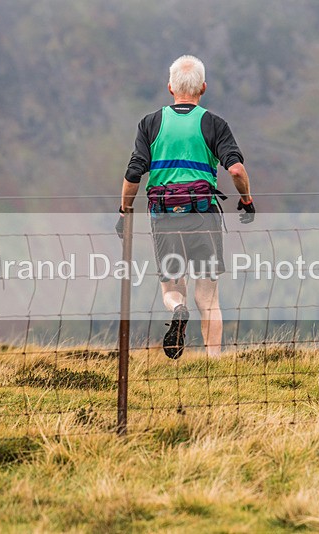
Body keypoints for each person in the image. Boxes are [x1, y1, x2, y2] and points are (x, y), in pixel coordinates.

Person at [117, 54, 255, 359]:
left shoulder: (150, 123)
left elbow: (134, 172)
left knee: (172, 288)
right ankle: (213, 362)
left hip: (164, 216)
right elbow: (235, 170)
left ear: (170, 87)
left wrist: (124, 210)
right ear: (203, 87)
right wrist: (246, 200)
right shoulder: (214, 124)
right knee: (208, 297)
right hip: (203, 216)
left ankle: (178, 310)